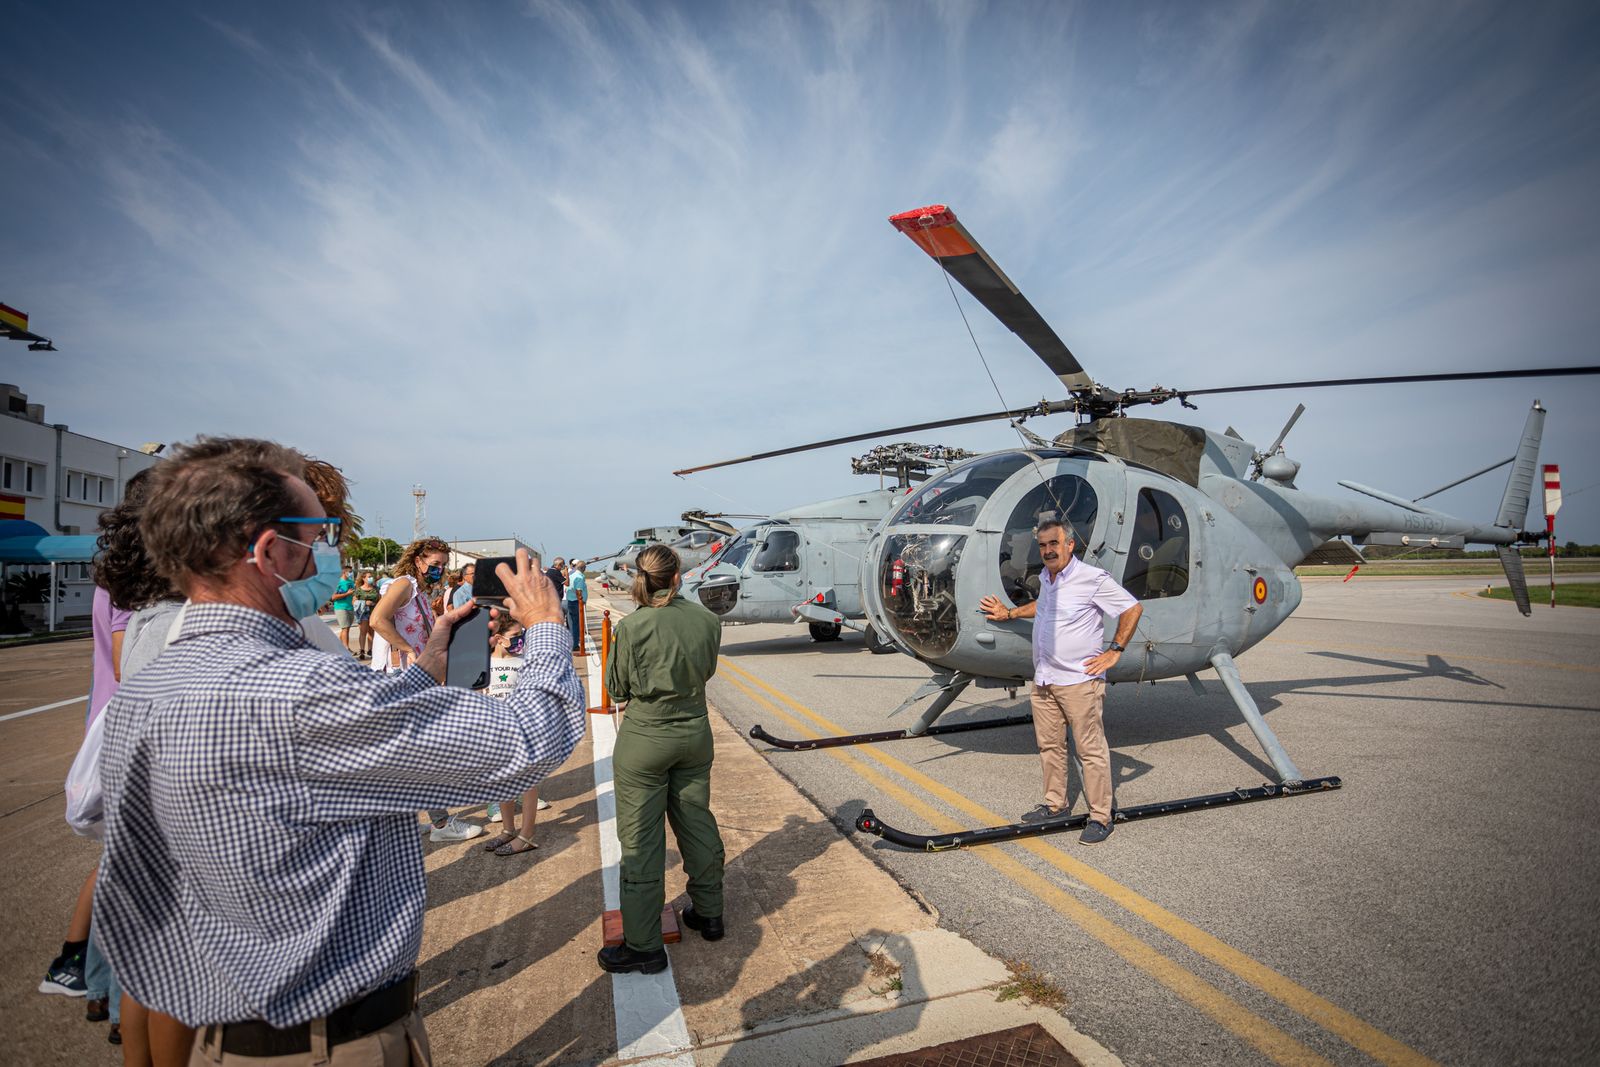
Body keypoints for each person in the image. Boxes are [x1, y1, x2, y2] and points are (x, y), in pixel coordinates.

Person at [95, 437, 583, 1064]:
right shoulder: (301, 691)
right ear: (269, 552)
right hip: (331, 1042)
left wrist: (423, 669)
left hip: (223, 1038)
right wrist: (546, 627)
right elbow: (528, 740)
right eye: (320, 535)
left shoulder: (145, 690)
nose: (332, 552)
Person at [600, 545, 725, 974]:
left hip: (646, 738)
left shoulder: (632, 627)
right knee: (696, 821)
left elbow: (617, 689)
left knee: (641, 840)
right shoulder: (707, 620)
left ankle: (643, 944)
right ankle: (709, 913)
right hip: (694, 732)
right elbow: (706, 671)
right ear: (676, 576)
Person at [980, 519, 1143, 844]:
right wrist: (1009, 613)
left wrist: (1115, 651)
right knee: (1050, 746)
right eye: (1042, 545)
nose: (1047, 550)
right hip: (1044, 679)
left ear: (1070, 545)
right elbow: (1044, 606)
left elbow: (1131, 608)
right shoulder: (1048, 578)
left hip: (1079, 682)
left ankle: (1101, 816)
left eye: (1053, 543)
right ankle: (1056, 805)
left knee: (1090, 750)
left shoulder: (1091, 578)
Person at [372, 536, 482, 842]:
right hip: (401, 678)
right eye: (435, 564)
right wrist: (408, 649)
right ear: (418, 560)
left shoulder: (419, 591)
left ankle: (405, 823)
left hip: (416, 677)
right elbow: (377, 620)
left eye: (443, 565)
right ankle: (441, 824)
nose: (439, 570)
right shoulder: (403, 585)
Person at [482, 617, 550, 856]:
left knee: (528, 783)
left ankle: (527, 834)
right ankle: (508, 829)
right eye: (515, 636)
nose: (521, 640)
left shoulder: (524, 662)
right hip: (496, 732)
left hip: (522, 731)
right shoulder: (485, 664)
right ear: (499, 639)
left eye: (522, 634)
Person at [564, 559, 588, 653]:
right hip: (577, 603)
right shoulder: (579, 577)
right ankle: (575, 645)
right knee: (577, 625)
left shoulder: (572, 575)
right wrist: (581, 601)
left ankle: (573, 643)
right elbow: (578, 591)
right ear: (584, 568)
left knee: (573, 624)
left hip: (571, 601)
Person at [353, 574, 378, 659]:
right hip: (363, 613)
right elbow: (354, 602)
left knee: (371, 632)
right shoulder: (359, 590)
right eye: (369, 577)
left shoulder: (376, 589)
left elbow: (380, 600)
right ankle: (362, 650)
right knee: (363, 632)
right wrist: (364, 602)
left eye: (372, 576)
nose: (371, 578)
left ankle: (370, 650)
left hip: (374, 613)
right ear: (364, 578)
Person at [332, 565, 357, 651]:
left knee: (346, 629)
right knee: (345, 628)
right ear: (344, 572)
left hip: (350, 607)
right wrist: (347, 594)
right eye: (349, 572)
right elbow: (333, 597)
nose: (351, 573)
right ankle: (346, 648)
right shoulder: (337, 582)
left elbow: (353, 595)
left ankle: (338, 648)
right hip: (340, 607)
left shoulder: (351, 582)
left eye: (351, 572)